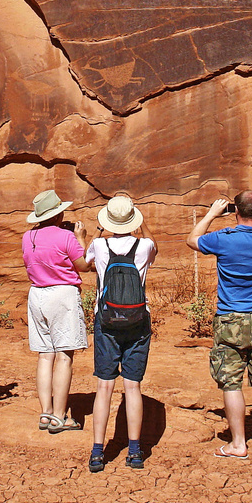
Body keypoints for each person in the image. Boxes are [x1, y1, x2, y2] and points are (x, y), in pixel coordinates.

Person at [187, 190, 252, 460]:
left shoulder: (223, 239)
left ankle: (238, 444)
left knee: (231, 383)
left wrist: (211, 214)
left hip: (230, 318)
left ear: (236, 211)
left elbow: (192, 240)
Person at [85, 194, 158, 473]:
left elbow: (84, 261)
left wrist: (95, 231)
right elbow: (155, 247)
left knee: (104, 386)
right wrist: (145, 224)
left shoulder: (99, 245)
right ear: (133, 219)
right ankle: (136, 451)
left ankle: (97, 453)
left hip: (106, 321)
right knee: (132, 386)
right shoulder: (144, 245)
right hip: (138, 320)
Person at [21, 189, 95, 434]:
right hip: (62, 295)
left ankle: (46, 412)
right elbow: (83, 266)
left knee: (45, 355)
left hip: (37, 295)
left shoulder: (27, 236)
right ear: (58, 214)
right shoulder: (66, 238)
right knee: (64, 355)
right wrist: (81, 238)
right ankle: (60, 416)